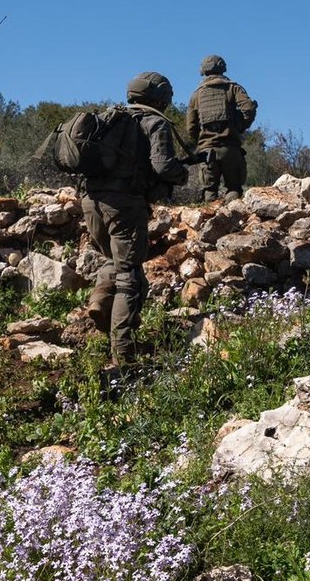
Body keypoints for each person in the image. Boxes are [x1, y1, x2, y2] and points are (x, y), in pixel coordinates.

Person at [82, 72, 190, 367]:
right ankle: (125, 356)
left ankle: (100, 304)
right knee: (129, 277)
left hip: (90, 201)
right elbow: (163, 165)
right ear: (160, 98)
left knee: (110, 260)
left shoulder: (108, 118)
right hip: (124, 204)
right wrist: (183, 174)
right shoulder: (155, 122)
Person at [185, 54, 258, 201]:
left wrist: (202, 141)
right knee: (234, 188)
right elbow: (248, 108)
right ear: (222, 67)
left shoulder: (196, 95)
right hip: (230, 149)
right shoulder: (233, 88)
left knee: (210, 192)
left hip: (207, 152)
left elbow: (191, 127)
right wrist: (240, 126)